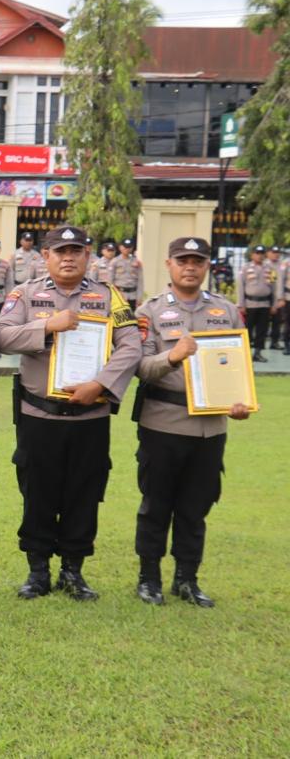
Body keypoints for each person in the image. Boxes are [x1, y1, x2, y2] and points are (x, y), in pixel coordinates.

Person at [0, 225, 141, 601]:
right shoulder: (25, 294)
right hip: (39, 416)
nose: (68, 258)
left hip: (89, 417)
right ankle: (38, 571)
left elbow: (131, 345)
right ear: (46, 256)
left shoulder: (108, 296)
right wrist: (47, 325)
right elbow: (2, 336)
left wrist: (101, 384)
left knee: (84, 492)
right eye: (60, 251)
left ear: (88, 255)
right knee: (37, 492)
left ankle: (73, 571)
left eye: (76, 251)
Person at [132, 237, 250, 608]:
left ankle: (187, 579)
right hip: (163, 423)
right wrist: (172, 356)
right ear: (169, 264)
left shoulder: (226, 311)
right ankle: (149, 578)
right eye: (183, 260)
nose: (190, 267)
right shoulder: (149, 311)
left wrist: (240, 401)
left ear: (207, 266)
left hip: (210, 428)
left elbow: (238, 366)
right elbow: (139, 367)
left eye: (197, 261)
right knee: (156, 505)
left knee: (196, 507)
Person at [238, 244, 276, 362]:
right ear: (252, 255)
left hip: (265, 304)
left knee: (262, 330)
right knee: (247, 330)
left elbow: (274, 287)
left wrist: (273, 304)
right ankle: (246, 353)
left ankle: (258, 353)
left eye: (262, 253)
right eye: (257, 253)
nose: (260, 256)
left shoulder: (269, 268)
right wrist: (241, 304)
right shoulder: (245, 268)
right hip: (250, 304)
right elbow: (240, 287)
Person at [111, 238, 143, 310]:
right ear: (120, 247)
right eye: (125, 247)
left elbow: (140, 281)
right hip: (119, 295)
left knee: (131, 316)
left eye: (129, 247)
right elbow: (110, 281)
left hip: (133, 296)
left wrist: (139, 298)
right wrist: (113, 296)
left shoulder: (137, 262)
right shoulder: (114, 262)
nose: (127, 249)